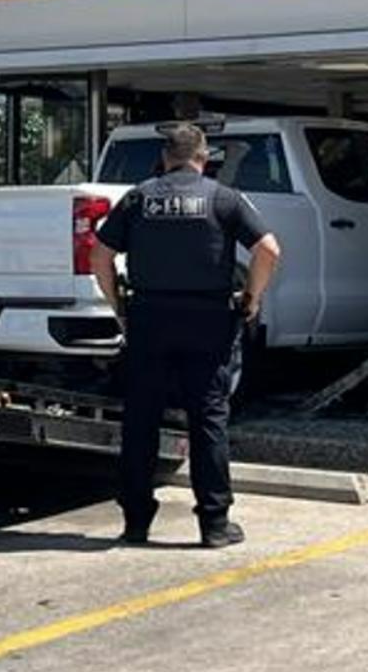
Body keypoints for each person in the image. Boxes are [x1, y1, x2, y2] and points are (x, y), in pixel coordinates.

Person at [90, 123, 280, 549]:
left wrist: (119, 307)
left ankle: (136, 522)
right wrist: (251, 297)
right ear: (204, 157)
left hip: (150, 317)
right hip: (207, 320)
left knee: (141, 419)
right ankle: (214, 524)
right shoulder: (223, 198)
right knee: (208, 418)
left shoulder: (139, 197)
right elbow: (269, 249)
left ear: (164, 158)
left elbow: (100, 255)